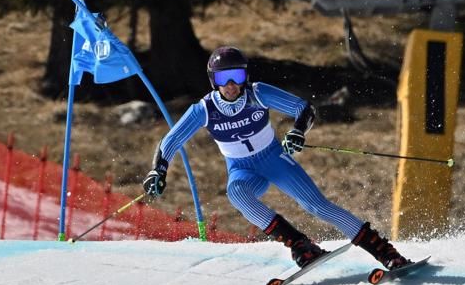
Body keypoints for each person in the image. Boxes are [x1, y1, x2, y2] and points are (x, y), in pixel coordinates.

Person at [143, 46, 411, 271]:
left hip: (274, 160)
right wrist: (158, 170)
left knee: (316, 206)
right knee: (236, 193)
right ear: (213, 80)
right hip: (243, 171)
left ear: (245, 76)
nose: (231, 85)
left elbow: (304, 108)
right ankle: (300, 245)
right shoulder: (204, 109)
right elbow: (171, 140)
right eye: (224, 78)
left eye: (237, 76)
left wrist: (298, 131)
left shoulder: (257, 93)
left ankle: (384, 251)